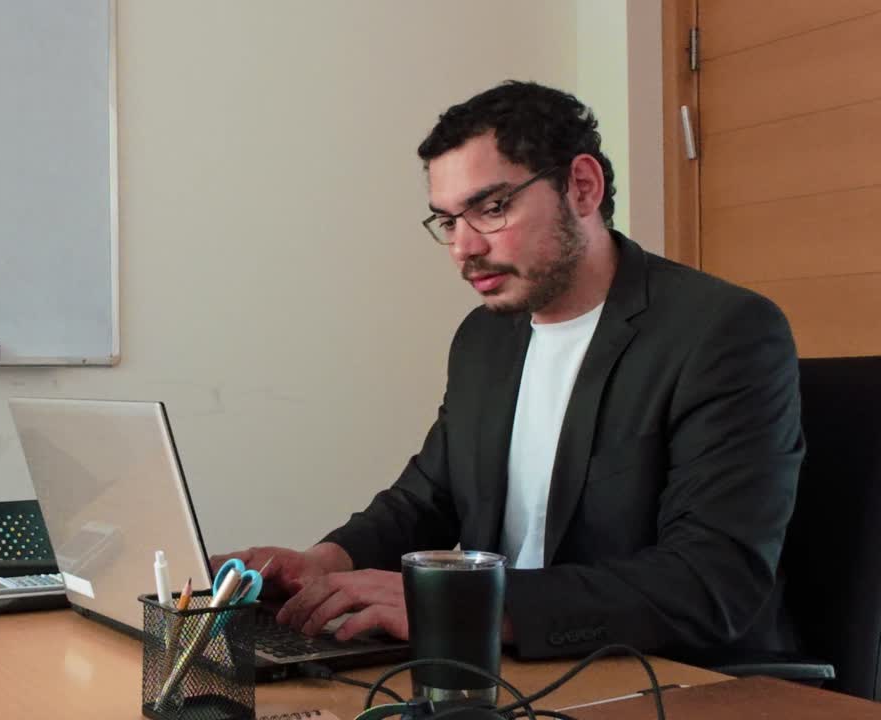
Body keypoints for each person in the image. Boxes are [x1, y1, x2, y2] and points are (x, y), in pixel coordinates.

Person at [214, 81, 804, 661]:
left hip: (672, 678)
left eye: (491, 208)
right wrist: (324, 562)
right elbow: (429, 497)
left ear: (581, 187)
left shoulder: (722, 332)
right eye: (447, 221)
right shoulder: (485, 337)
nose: (463, 248)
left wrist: (465, 605)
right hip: (498, 670)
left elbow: (710, 579)